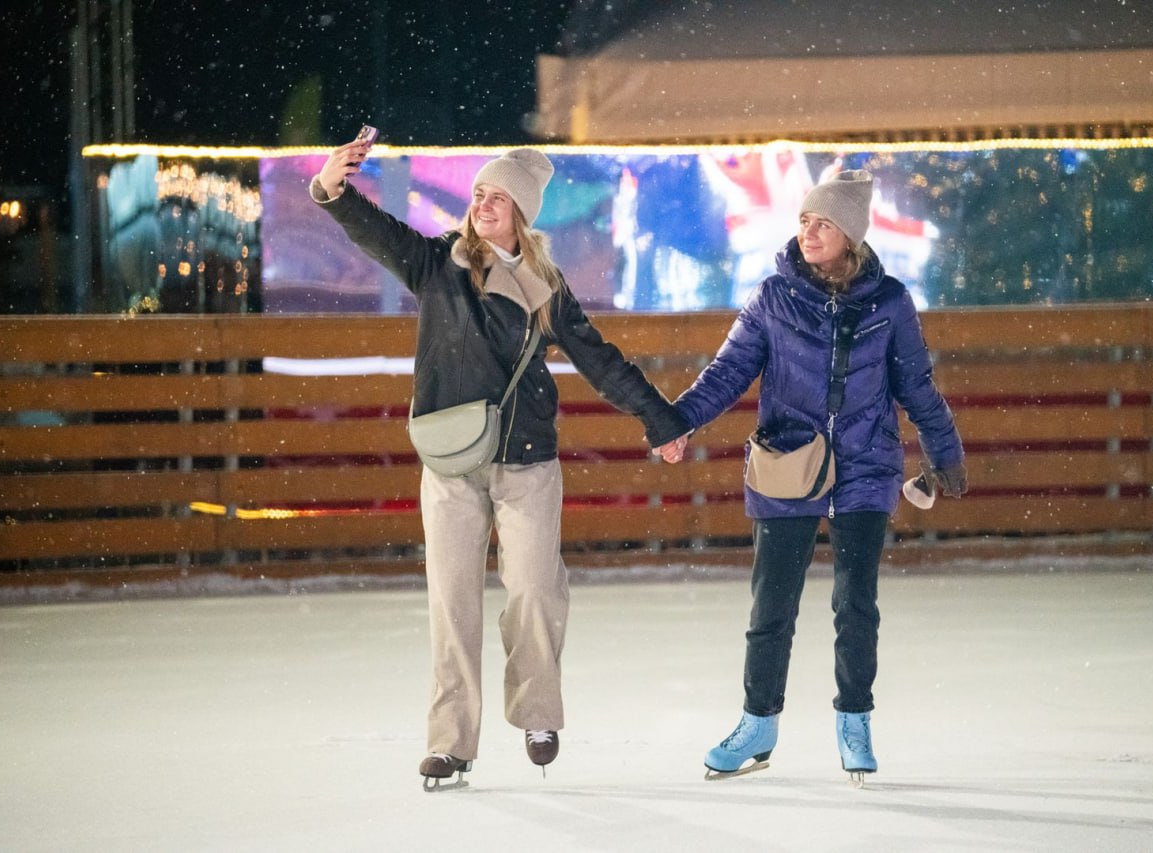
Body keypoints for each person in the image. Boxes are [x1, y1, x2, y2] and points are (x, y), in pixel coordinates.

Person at [311, 141, 688, 789]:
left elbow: (598, 357)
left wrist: (658, 417)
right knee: (452, 602)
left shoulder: (546, 286)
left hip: (526, 458)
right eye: (479, 193)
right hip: (453, 459)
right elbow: (374, 231)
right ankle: (451, 741)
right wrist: (334, 189)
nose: (482, 203)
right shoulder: (437, 261)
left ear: (521, 212)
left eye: (497, 196)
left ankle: (539, 712)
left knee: (536, 588)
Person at [657, 169, 967, 784]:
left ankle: (855, 719)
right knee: (772, 602)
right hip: (788, 461)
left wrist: (946, 455)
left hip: (866, 463)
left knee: (856, 601)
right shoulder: (773, 297)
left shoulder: (889, 302)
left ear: (851, 234)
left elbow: (916, 387)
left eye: (823, 222)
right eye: (803, 220)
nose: (809, 232)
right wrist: (679, 421)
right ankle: (758, 722)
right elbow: (727, 372)